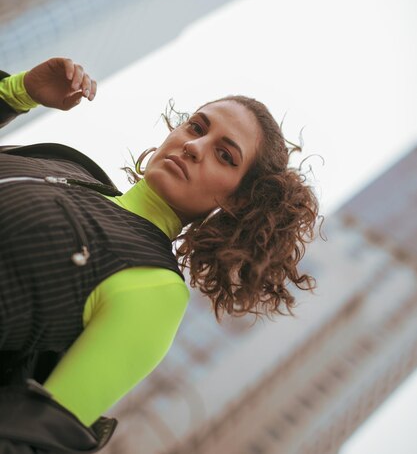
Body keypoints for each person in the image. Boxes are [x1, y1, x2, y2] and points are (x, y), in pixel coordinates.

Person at [0, 57, 321, 453]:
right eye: (197, 127)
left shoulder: (153, 285)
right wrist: (17, 93)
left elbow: (31, 441)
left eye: (225, 155)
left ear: (238, 200)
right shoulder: (66, 162)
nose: (194, 146)